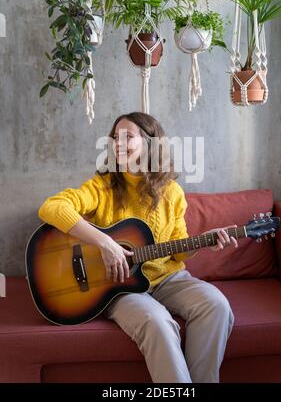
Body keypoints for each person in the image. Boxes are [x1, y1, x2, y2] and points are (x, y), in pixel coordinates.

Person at [38, 111, 237, 383]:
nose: (118, 143)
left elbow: (177, 248)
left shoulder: (172, 192)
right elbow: (52, 207)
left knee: (216, 305)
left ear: (150, 143)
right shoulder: (103, 186)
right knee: (158, 322)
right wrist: (105, 242)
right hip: (117, 284)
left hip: (168, 278)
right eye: (115, 138)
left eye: (127, 137)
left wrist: (205, 241)